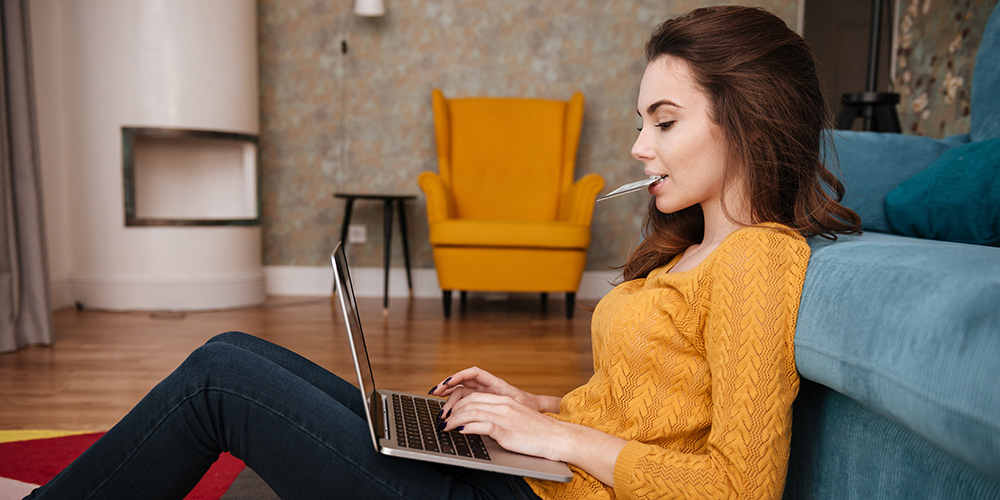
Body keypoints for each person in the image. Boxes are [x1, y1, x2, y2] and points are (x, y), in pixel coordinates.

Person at [26, 6, 860, 500]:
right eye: (643, 121)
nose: (640, 147)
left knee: (221, 382)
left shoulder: (758, 259)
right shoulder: (690, 252)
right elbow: (646, 413)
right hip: (526, 476)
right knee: (232, 348)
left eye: (664, 121)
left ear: (746, 116)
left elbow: (740, 487)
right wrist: (532, 406)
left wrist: (559, 443)